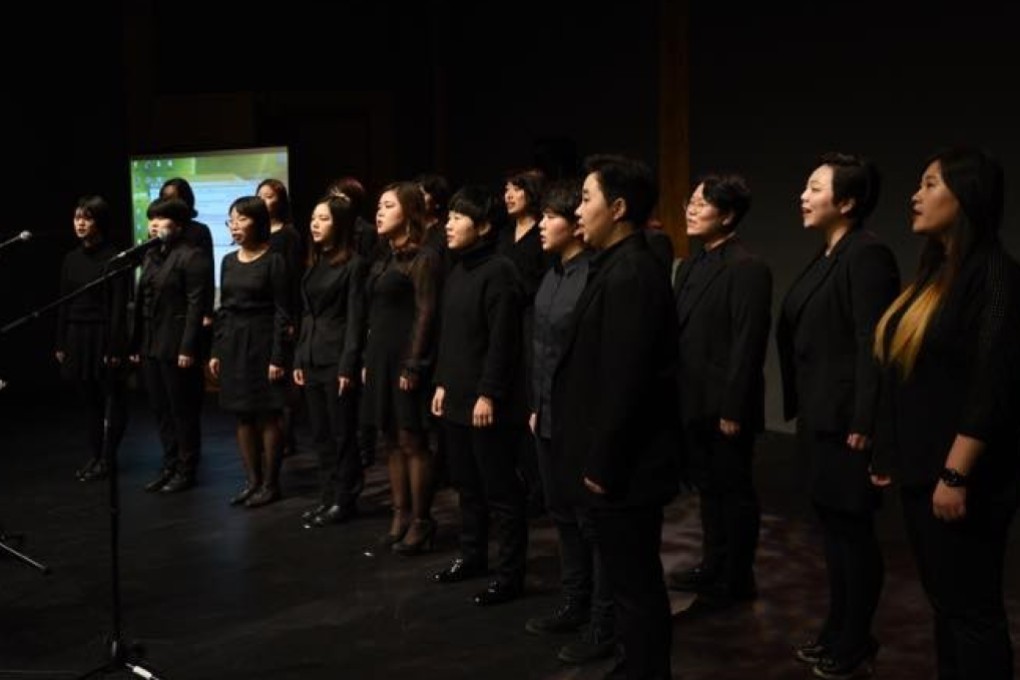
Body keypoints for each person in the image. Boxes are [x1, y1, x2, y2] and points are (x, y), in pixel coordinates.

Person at [872, 147, 1020, 680]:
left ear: (967, 197)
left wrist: (956, 473)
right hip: (926, 476)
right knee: (948, 608)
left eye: (930, 184)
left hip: (964, 481)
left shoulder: (996, 276)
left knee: (972, 612)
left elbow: (993, 386)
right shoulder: (935, 276)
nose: (915, 195)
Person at [554, 154, 679, 679]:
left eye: (586, 199)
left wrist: (602, 464)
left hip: (625, 469)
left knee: (635, 584)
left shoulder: (632, 271)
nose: (578, 210)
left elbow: (628, 380)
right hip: (613, 463)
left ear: (620, 207)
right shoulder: (618, 265)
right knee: (629, 581)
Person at [776, 153, 899, 678]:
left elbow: (874, 344)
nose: (803, 196)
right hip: (821, 418)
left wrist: (864, 422)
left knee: (852, 533)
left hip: (847, 423)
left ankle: (855, 639)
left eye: (815, 187)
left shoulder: (867, 255)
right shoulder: (829, 254)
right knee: (832, 532)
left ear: (847, 201)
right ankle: (837, 629)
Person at [666, 174, 772, 613]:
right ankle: (713, 563)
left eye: (702, 203)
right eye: (690, 200)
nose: (691, 209)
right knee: (708, 489)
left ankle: (738, 574)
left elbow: (748, 343)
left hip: (725, 403)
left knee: (734, 489)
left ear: (727, 215)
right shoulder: (692, 264)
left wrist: (734, 407)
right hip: (691, 399)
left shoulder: (747, 266)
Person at [522, 179, 615, 663]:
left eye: (549, 217)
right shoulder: (552, 274)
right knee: (561, 515)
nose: (540, 225)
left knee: (590, 522)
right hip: (547, 415)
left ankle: (604, 622)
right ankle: (574, 603)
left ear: (574, 225)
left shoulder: (590, 277)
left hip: (579, 421)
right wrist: (537, 404)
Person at [430, 185, 527, 605]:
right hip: (456, 396)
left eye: (458, 217)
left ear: (483, 226)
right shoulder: (458, 270)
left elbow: (503, 341)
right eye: (448, 217)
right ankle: (472, 556)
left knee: (500, 491)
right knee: (466, 486)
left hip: (488, 402)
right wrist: (442, 383)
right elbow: (452, 338)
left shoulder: (500, 271)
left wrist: (488, 394)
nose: (448, 225)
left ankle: (510, 575)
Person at [362, 182, 442, 554]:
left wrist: (414, 363)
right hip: (380, 356)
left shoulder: (423, 257)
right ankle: (401, 513)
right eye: (378, 205)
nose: (379, 212)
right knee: (390, 439)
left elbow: (426, 313)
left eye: (388, 205)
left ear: (407, 212)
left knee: (412, 439)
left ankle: (423, 520)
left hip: (406, 357)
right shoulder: (384, 258)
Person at [209, 196, 291, 508]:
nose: (234, 225)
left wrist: (278, 356)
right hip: (233, 342)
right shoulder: (228, 261)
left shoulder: (274, 260)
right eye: (231, 219)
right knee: (242, 415)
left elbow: (283, 312)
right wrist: (216, 349)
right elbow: (225, 309)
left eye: (241, 218)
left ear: (258, 222)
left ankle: (271, 484)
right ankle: (252, 481)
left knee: (268, 415)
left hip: (263, 340)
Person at [129, 197, 213, 493]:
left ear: (178, 225)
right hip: (151, 345)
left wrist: (188, 348)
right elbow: (142, 302)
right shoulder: (151, 256)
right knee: (160, 408)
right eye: (151, 217)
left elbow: (195, 306)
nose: (153, 223)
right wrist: (135, 343)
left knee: (182, 410)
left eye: (161, 218)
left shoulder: (192, 256)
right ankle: (169, 464)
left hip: (177, 345)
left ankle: (187, 468)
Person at [293, 194, 367, 527]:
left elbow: (355, 319)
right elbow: (306, 315)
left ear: (339, 223)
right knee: (320, 434)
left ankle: (344, 498)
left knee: (342, 434)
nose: (315, 224)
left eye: (323, 218)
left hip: (337, 357)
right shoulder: (314, 262)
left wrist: (348, 365)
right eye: (313, 218)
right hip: (311, 355)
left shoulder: (353, 265)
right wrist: (298, 356)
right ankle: (327, 496)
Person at [55, 195, 129, 482]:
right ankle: (95, 455)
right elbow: (64, 302)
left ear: (100, 221)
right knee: (89, 402)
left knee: (111, 398)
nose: (80, 223)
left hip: (102, 334)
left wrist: (114, 347)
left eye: (87, 218)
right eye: (77, 218)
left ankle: (108, 458)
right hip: (77, 334)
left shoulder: (114, 257)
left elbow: (118, 308)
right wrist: (61, 342)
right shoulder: (70, 259)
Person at [501, 168, 552, 517]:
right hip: (505, 323)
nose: (508, 195)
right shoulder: (505, 235)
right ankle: (516, 478)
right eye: (506, 189)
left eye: (515, 189)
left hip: (530, 321)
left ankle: (539, 486)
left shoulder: (542, 235)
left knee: (532, 400)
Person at [257, 178, 304, 459]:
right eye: (259, 195)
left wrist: (292, 318)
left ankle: (287, 436)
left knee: (282, 380)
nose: (264, 200)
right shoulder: (259, 234)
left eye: (269, 196)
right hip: (263, 315)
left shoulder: (288, 235)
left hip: (284, 309)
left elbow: (294, 278)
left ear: (280, 201)